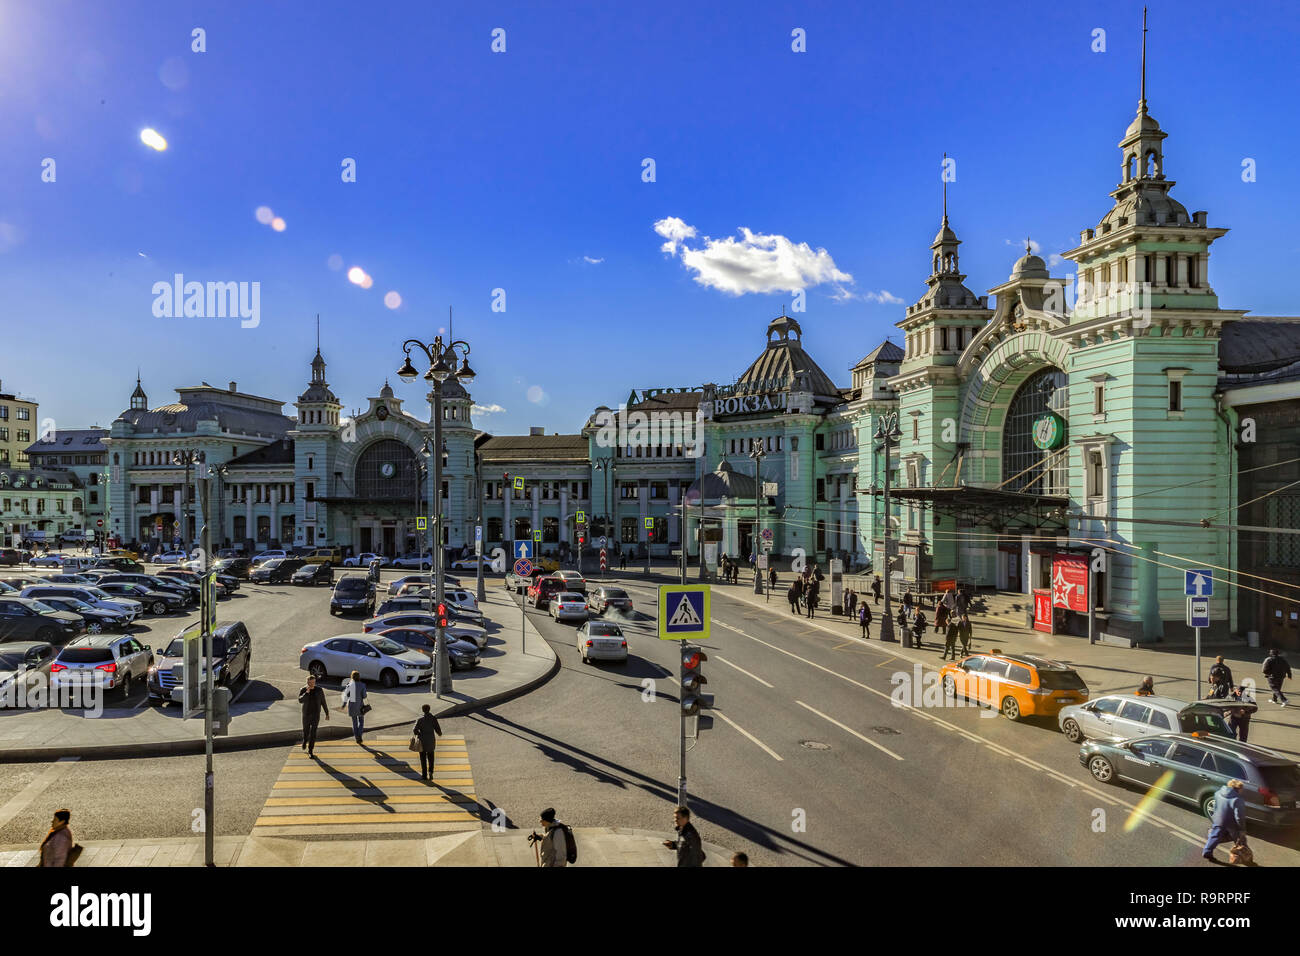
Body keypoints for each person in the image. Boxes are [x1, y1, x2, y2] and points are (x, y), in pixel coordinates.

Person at [1202, 779, 1246, 862]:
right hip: (1231, 822)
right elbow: (1239, 817)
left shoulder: (1218, 793)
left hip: (1218, 818)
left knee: (1215, 835)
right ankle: (1245, 857)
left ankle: (1207, 851)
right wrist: (1242, 829)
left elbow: (1215, 807)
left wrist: (1215, 817)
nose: (1242, 791)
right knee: (1240, 838)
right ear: (1237, 788)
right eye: (1241, 789)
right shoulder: (1237, 799)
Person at [298, 674, 330, 757]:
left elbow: (323, 702)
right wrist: (307, 692)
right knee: (306, 731)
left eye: (313, 682)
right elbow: (300, 700)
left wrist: (327, 713)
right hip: (306, 715)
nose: (312, 684)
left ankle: (310, 750)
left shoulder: (319, 690)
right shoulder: (303, 690)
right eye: (310, 682)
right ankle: (305, 740)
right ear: (307, 682)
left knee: (313, 733)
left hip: (316, 715)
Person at [412, 703, 443, 782]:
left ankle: (424, 775)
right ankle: (431, 771)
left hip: (422, 741)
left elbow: (414, 730)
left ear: (423, 710)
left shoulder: (420, 719)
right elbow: (437, 729)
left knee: (423, 759)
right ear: (429, 709)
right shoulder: (433, 718)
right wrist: (439, 733)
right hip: (431, 740)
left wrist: (419, 734)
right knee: (431, 757)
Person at [341, 670, 368, 743]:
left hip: (352, 706)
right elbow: (364, 696)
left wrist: (343, 705)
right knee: (361, 721)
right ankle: (359, 735)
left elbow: (346, 696)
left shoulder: (349, 685)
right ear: (359, 677)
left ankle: (357, 737)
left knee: (354, 723)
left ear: (352, 677)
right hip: (360, 706)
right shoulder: (362, 685)